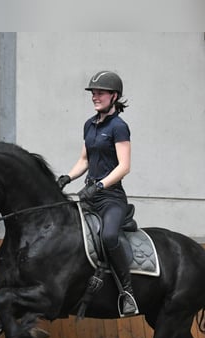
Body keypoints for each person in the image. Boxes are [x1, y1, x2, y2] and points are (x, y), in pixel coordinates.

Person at [56, 70, 139, 317]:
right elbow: (84, 160)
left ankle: (128, 293)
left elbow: (124, 166)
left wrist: (101, 185)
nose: (95, 96)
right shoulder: (89, 125)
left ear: (114, 96)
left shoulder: (119, 127)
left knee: (109, 237)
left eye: (100, 93)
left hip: (111, 198)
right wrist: (67, 177)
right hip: (90, 194)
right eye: (93, 93)